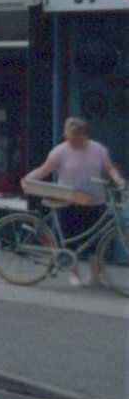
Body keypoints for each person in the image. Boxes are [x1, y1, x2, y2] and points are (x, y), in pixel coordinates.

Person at [23, 117, 127, 283]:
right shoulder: (60, 151)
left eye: (77, 139)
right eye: (70, 138)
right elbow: (44, 170)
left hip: (95, 201)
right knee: (71, 239)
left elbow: (109, 167)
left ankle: (95, 276)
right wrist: (28, 178)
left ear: (85, 135)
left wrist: (118, 179)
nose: (73, 142)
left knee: (95, 241)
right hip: (68, 201)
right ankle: (74, 273)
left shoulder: (98, 149)